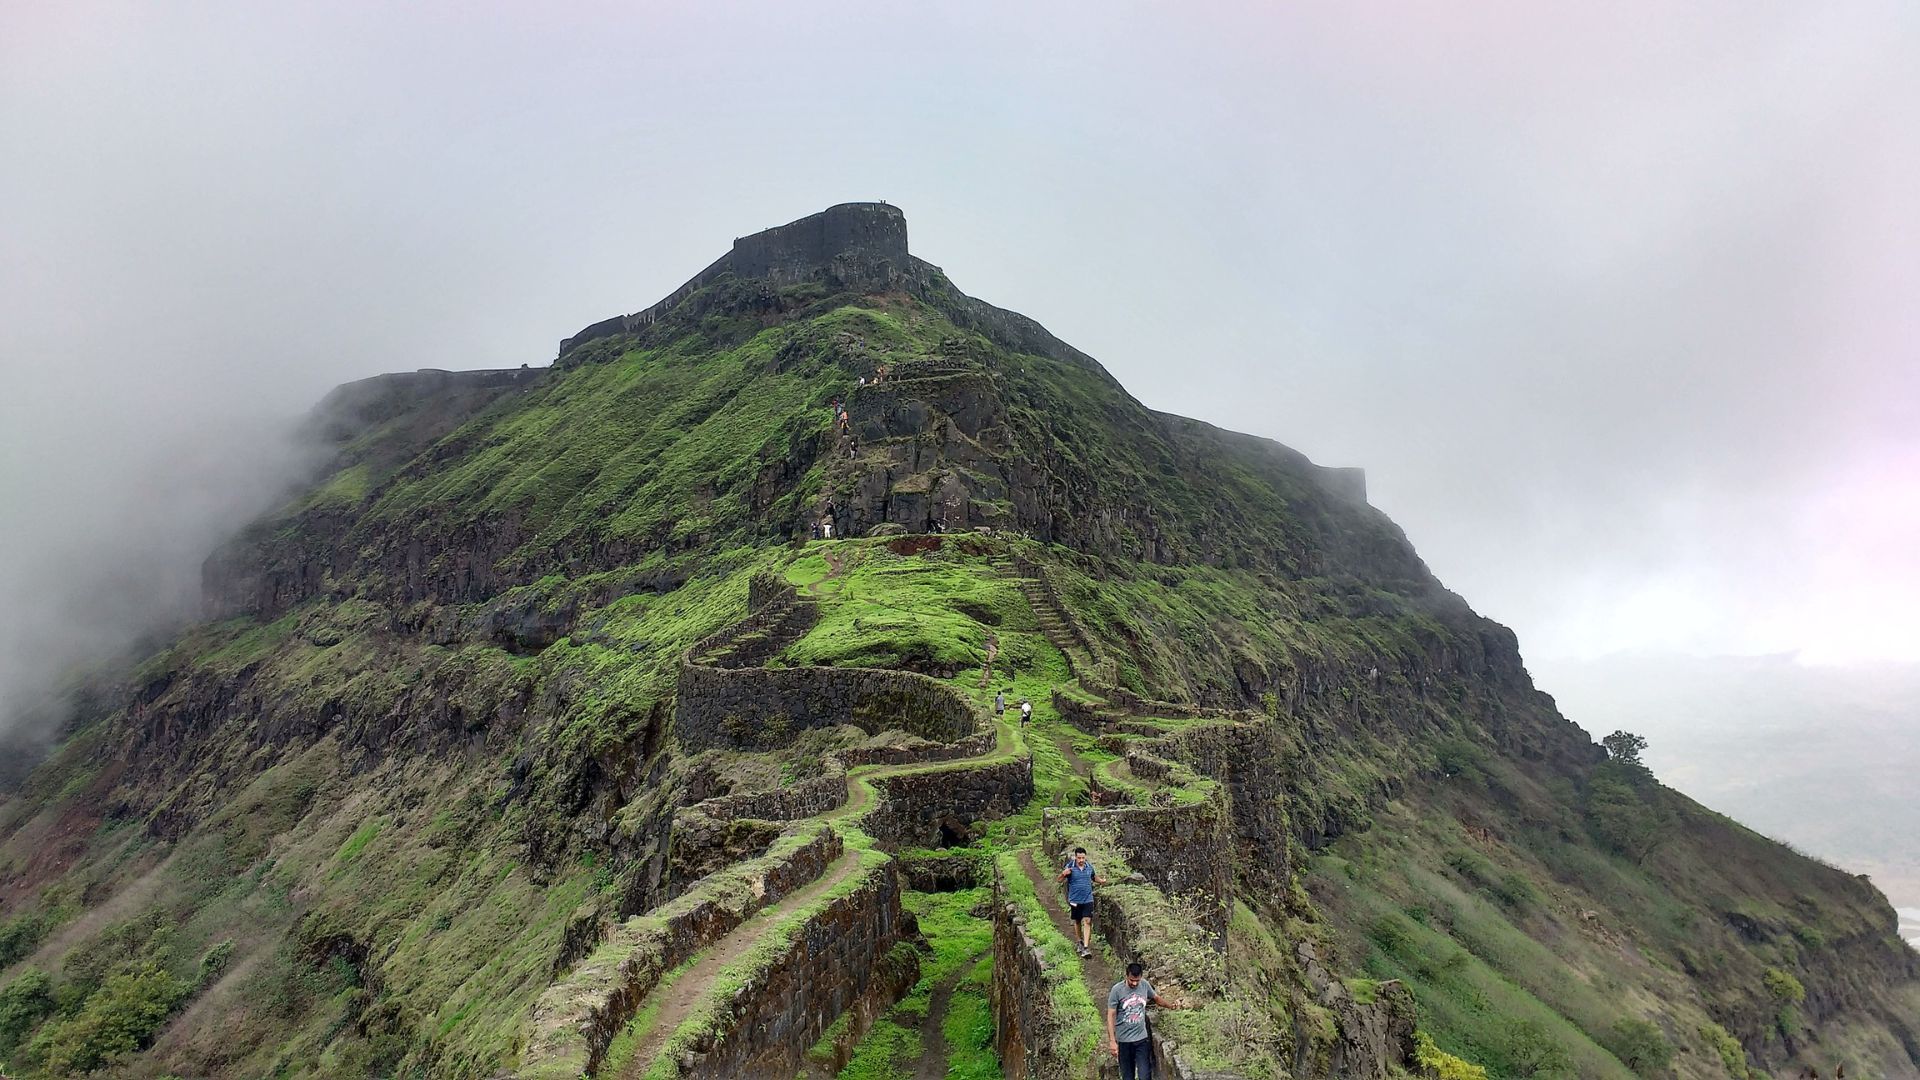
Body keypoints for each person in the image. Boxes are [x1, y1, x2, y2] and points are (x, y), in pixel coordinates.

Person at [1108, 961, 1185, 1079]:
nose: (1134, 983)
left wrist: (1170, 1006)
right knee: (1128, 1076)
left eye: (1137, 980)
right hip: (1124, 1041)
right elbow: (1111, 1015)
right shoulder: (1117, 990)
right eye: (1131, 980)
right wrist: (1112, 1041)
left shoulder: (1144, 985)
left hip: (1141, 1040)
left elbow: (1156, 998)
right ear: (1126, 976)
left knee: (1145, 1075)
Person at [1056, 847, 1102, 957]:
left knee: (1087, 921)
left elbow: (1093, 877)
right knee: (1077, 921)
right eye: (1079, 858)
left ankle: (1086, 947)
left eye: (1083, 858)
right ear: (1075, 857)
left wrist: (1102, 881)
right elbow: (1059, 880)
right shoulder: (1070, 867)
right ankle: (1079, 941)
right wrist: (1063, 874)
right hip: (1075, 900)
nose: (1081, 860)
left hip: (1088, 899)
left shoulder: (1089, 867)